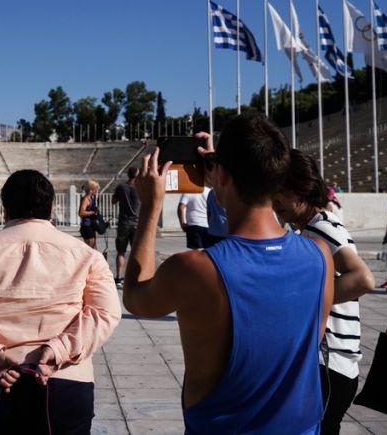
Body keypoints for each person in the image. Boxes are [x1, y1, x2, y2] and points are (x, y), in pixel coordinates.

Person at [124, 114, 334, 433]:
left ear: (221, 174)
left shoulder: (194, 268)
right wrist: (224, 175)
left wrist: (151, 208)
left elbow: (135, 298)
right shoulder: (319, 256)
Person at [0, 169, 121, 434]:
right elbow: (104, 313)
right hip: (62, 379)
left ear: (4, 209)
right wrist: (57, 350)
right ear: (51, 208)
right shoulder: (87, 256)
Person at [272, 151, 375, 435]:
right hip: (328, 366)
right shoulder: (312, 228)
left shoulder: (322, 229)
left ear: (303, 188)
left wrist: (308, 301)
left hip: (329, 365)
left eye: (282, 191)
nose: (275, 200)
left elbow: (363, 279)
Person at [112, 167, 140, 288]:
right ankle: (134, 279)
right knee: (136, 253)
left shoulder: (121, 187)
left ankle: (119, 279)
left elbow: (113, 201)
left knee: (121, 252)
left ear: (128, 175)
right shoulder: (140, 187)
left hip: (124, 223)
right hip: (137, 223)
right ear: (138, 175)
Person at [78, 179, 100, 248]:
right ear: (91, 190)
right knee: (89, 248)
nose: (97, 190)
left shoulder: (91, 198)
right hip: (86, 226)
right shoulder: (86, 199)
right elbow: (81, 213)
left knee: (92, 246)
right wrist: (93, 212)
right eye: (96, 189)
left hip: (91, 225)